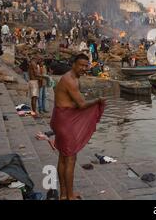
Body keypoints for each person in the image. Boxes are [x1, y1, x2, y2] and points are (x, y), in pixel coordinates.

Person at [50, 53, 105, 200]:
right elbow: (81, 104)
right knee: (70, 159)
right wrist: (98, 100)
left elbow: (73, 102)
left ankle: (63, 195)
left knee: (63, 158)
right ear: (73, 64)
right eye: (80, 65)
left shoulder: (72, 78)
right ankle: (69, 196)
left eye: (86, 66)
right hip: (65, 122)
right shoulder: (70, 80)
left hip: (60, 119)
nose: (83, 68)